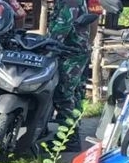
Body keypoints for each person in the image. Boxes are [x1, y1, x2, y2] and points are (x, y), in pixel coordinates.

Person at [49, 0, 93, 151]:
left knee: (63, 93)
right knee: (75, 93)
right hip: (74, 51)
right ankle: (70, 133)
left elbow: (63, 26)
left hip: (70, 53)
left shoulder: (69, 1)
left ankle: (69, 139)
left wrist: (48, 45)